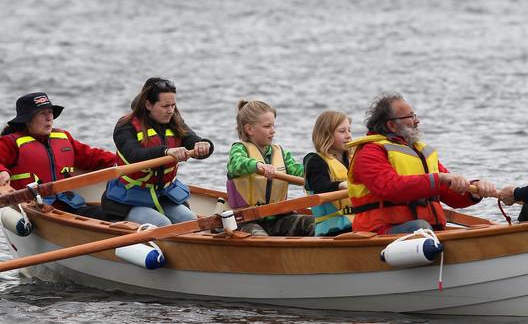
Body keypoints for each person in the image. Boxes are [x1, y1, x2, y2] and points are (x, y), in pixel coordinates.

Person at [346, 94, 498, 234]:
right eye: (410, 116)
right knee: (421, 228)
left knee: (424, 228)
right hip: (381, 231)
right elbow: (390, 187)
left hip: (425, 230)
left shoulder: (421, 152)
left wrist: (474, 191)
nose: (417, 121)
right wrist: (439, 178)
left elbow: (450, 194)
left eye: (415, 115)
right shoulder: (370, 152)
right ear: (391, 125)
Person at [101, 78, 213, 226]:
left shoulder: (175, 122)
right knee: (162, 224)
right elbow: (134, 155)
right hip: (129, 198)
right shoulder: (125, 126)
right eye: (165, 106)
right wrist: (166, 152)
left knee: (190, 221)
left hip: (162, 195)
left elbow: (193, 139)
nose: (171, 110)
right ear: (148, 104)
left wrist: (204, 145)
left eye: (173, 105)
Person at [0, 92, 116, 219]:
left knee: (113, 214)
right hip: (36, 208)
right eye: (42, 113)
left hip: (70, 204)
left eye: (50, 112)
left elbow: (92, 156)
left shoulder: (63, 137)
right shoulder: (10, 142)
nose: (49, 118)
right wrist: (2, 171)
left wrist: (121, 160)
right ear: (28, 120)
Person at [226, 100, 311, 236]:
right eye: (267, 126)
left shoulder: (280, 153)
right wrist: (258, 166)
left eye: (273, 125)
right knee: (260, 237)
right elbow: (237, 164)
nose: (273, 131)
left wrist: (318, 172)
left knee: (313, 225)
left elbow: (299, 172)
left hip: (278, 218)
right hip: (246, 221)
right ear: (250, 129)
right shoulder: (239, 149)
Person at [304, 111, 353, 236]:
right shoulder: (315, 161)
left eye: (349, 130)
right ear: (326, 135)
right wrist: (341, 185)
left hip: (357, 222)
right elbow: (321, 187)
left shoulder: (354, 159)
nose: (348, 136)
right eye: (342, 131)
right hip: (332, 229)